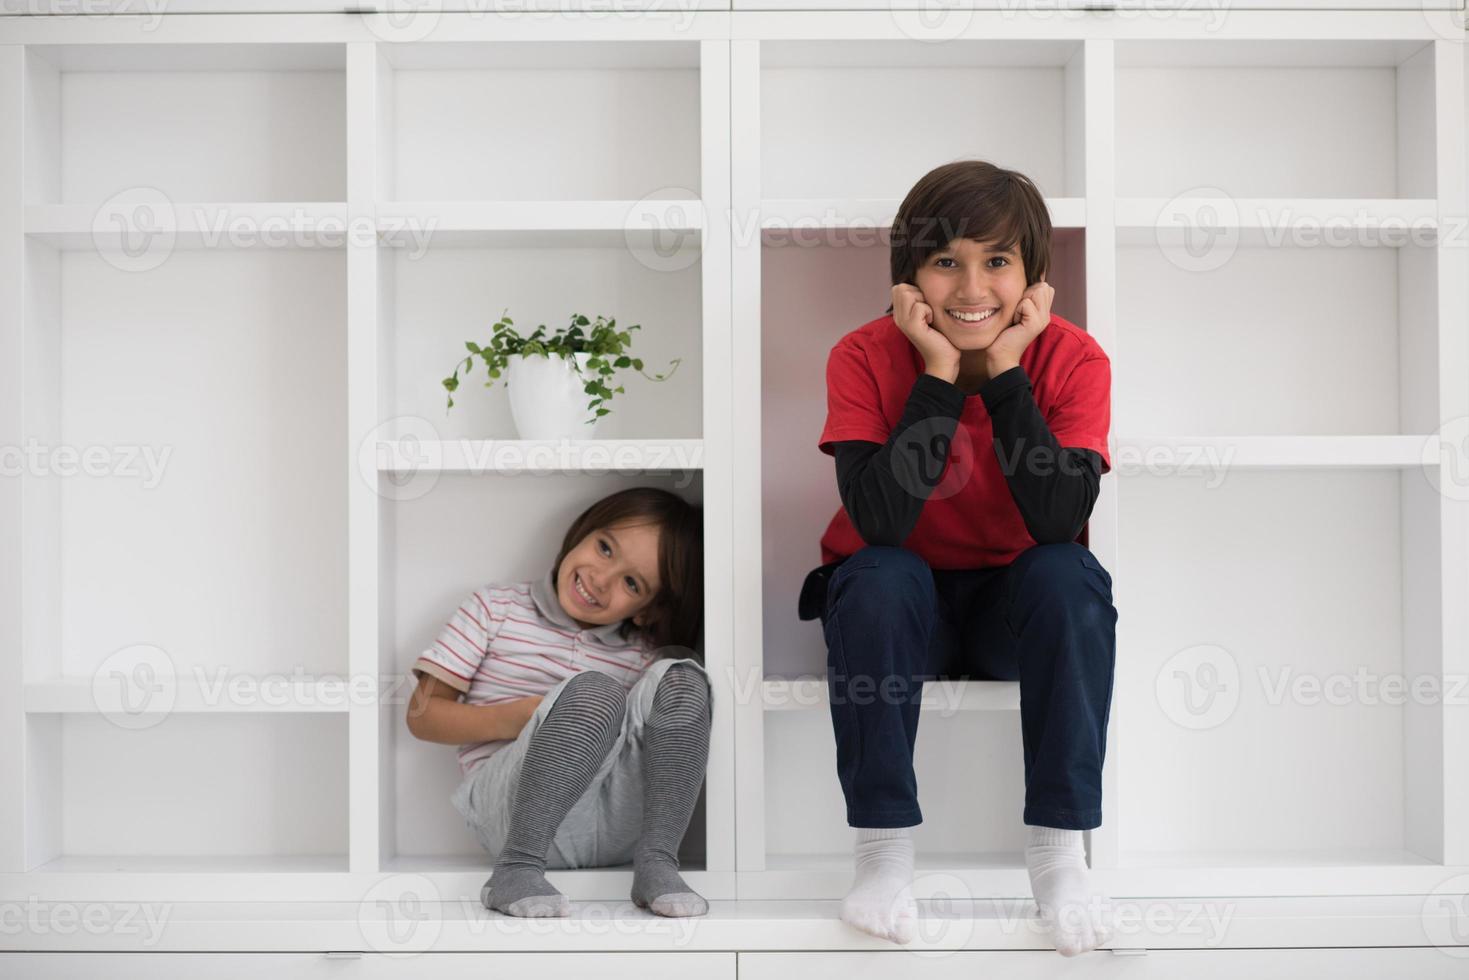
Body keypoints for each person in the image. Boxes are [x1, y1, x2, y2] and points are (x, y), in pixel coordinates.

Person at [798, 159, 1117, 955]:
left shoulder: (1074, 359)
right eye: (946, 262)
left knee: (1067, 572)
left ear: (1033, 278)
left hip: (1014, 611)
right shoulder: (864, 355)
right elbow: (879, 522)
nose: (971, 288)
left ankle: (1057, 855)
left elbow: (1056, 520)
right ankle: (881, 856)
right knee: (878, 572)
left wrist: (1005, 370)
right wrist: (939, 373)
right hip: (901, 610)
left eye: (997, 262)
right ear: (909, 278)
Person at [406, 487, 711, 918]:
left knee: (681, 675)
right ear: (583, 531)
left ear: (647, 610)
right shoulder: (495, 609)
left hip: (612, 824)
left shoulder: (639, 653)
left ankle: (659, 861)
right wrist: (527, 716)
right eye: (605, 548)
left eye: (631, 582)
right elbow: (423, 717)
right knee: (596, 691)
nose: (600, 579)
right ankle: (516, 869)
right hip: (510, 816)